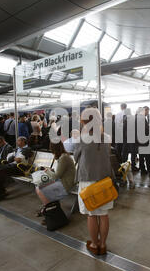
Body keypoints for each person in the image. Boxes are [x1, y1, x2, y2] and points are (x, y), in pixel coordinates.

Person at [74, 108, 113, 256]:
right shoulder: (107, 137)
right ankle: (103, 245)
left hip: (87, 180)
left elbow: (76, 158)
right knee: (104, 214)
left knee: (91, 214)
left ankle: (94, 244)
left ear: (84, 122)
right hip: (104, 180)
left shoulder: (81, 139)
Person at [0, 136, 33, 202]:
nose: (17, 142)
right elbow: (9, 157)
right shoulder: (17, 149)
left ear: (23, 141)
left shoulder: (27, 149)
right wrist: (12, 157)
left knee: (1, 171)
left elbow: (19, 159)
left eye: (18, 141)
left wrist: (14, 158)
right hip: (11, 165)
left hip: (19, 168)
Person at [35, 141, 76, 221]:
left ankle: (49, 212)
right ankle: (48, 209)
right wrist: (51, 171)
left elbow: (56, 176)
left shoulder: (63, 158)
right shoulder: (64, 156)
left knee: (40, 190)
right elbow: (59, 173)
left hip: (66, 184)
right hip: (63, 181)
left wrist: (47, 170)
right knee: (39, 187)